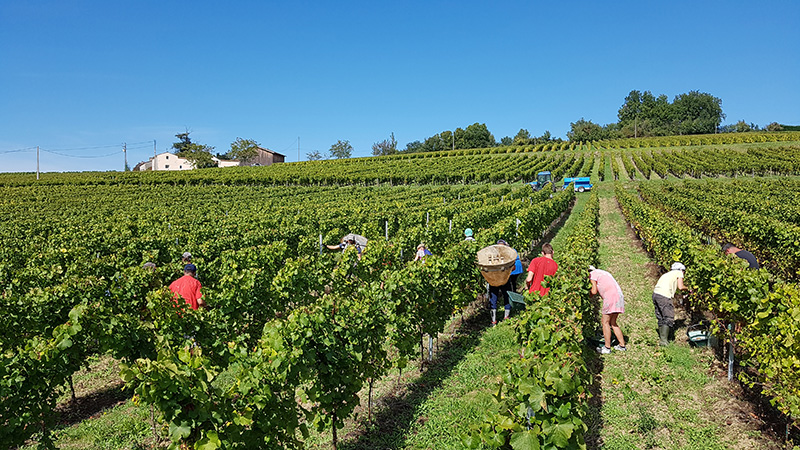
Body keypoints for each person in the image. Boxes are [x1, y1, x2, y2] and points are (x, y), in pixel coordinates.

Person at [589, 266, 626, 354]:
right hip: (618, 296)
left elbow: (594, 291)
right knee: (613, 322)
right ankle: (622, 345)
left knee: (605, 322)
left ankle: (607, 348)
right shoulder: (603, 273)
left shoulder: (592, 275)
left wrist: (588, 296)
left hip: (610, 298)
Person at [488, 239, 524, 325]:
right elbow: (513, 268)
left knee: (493, 299)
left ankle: (494, 320)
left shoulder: (491, 256)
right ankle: (506, 317)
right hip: (504, 280)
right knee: (506, 297)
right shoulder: (507, 256)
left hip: (494, 280)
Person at [652, 262, 686, 346]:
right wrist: (689, 289)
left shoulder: (667, 274)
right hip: (664, 296)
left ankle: (662, 338)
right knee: (668, 317)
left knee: (661, 316)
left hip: (656, 294)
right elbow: (680, 287)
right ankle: (664, 341)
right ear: (681, 270)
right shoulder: (679, 273)